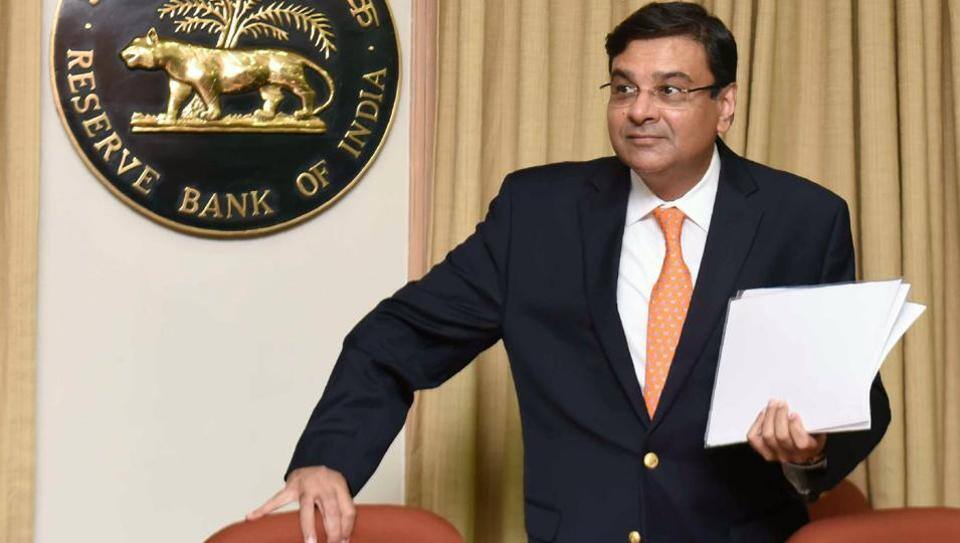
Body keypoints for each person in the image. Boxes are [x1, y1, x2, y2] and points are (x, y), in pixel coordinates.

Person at [248, 2, 890, 542]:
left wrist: (813, 451)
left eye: (670, 90)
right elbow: (398, 337)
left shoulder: (802, 219)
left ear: (725, 104)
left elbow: (857, 394)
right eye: (624, 87)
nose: (640, 110)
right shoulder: (537, 214)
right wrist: (328, 458)